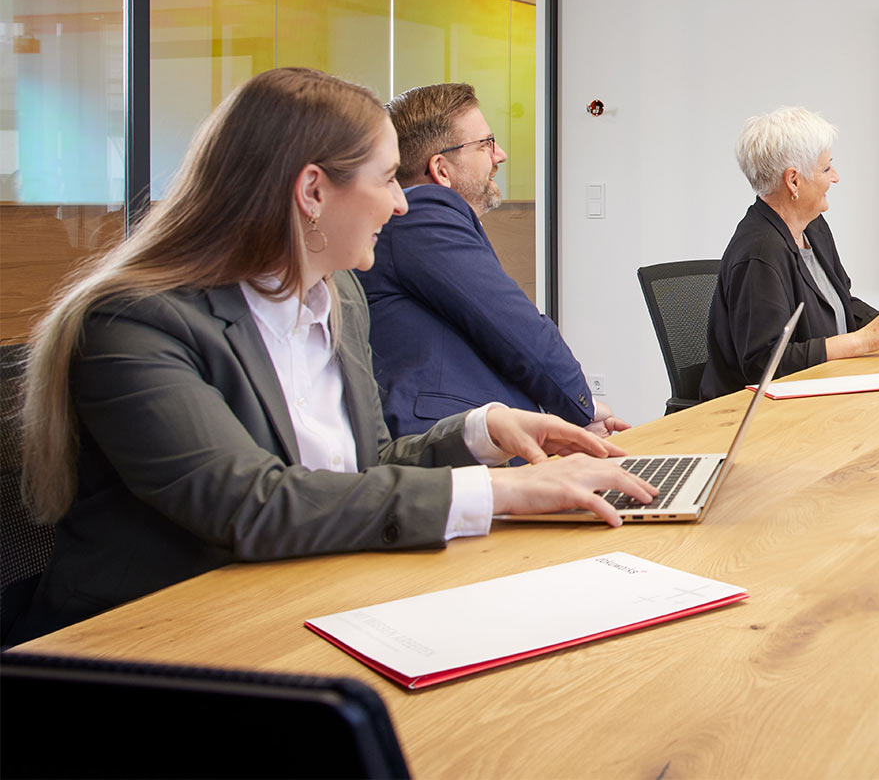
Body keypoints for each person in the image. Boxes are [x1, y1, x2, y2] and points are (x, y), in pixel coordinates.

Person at [13, 67, 655, 643]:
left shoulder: (336, 293)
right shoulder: (136, 325)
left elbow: (361, 466)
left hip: (308, 601)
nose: (403, 202)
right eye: (385, 179)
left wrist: (481, 433)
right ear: (313, 192)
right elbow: (252, 505)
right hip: (152, 642)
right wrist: (501, 490)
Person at [361, 82, 627, 437]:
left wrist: (559, 422)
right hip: (444, 446)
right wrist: (583, 406)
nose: (499, 154)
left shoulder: (416, 225)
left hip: (480, 431)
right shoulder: (423, 212)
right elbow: (515, 326)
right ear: (441, 169)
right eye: (485, 144)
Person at [701, 107, 879, 399]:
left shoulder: (813, 226)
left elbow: (841, 303)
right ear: (793, 181)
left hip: (823, 392)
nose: (835, 177)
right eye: (826, 168)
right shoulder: (759, 254)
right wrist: (861, 342)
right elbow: (764, 364)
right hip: (756, 418)